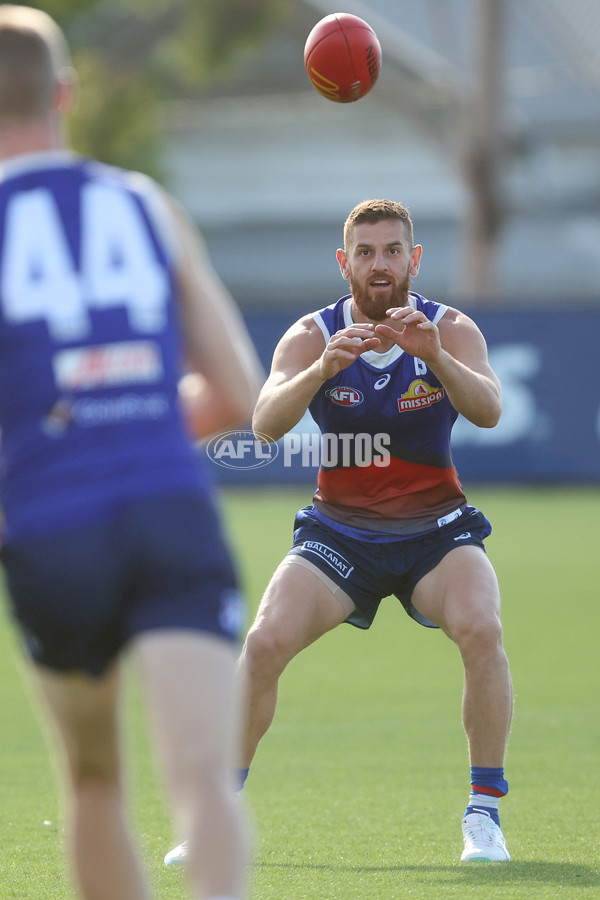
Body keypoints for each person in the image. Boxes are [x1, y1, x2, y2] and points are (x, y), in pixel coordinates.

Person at [0, 6, 263, 900]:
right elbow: (239, 394)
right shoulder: (142, 203)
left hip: (51, 532)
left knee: (93, 780)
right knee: (202, 783)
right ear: (65, 94)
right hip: (167, 513)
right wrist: (132, 421)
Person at [167, 197, 513, 865]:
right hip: (341, 534)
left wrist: (437, 357)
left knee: (483, 627)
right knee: (264, 641)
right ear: (343, 261)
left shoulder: (451, 329)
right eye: (365, 252)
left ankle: (484, 814)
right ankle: (216, 815)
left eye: (391, 251)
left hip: (435, 531)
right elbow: (263, 422)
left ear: (413, 259)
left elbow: (490, 410)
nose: (379, 265)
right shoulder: (311, 334)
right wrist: (321, 368)